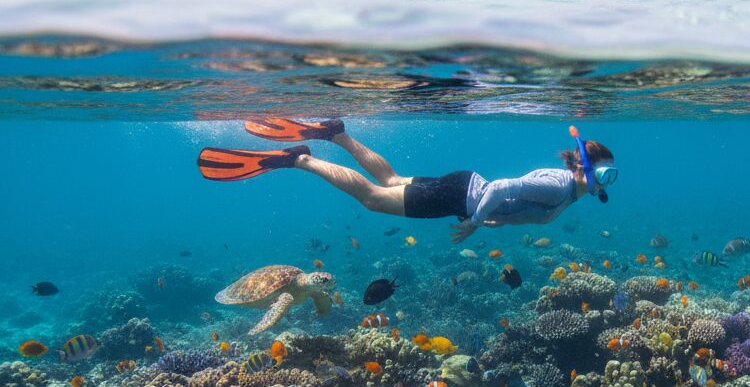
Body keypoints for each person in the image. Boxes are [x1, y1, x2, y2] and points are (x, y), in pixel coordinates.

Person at [197, 118, 617, 242]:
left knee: (390, 177)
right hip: (462, 196)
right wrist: (473, 223)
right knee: (375, 199)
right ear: (585, 167)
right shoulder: (560, 187)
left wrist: (499, 222)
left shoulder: (567, 192)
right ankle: (301, 160)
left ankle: (337, 134)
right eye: (606, 172)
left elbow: (525, 214)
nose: (607, 181)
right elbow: (503, 189)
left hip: (461, 187)